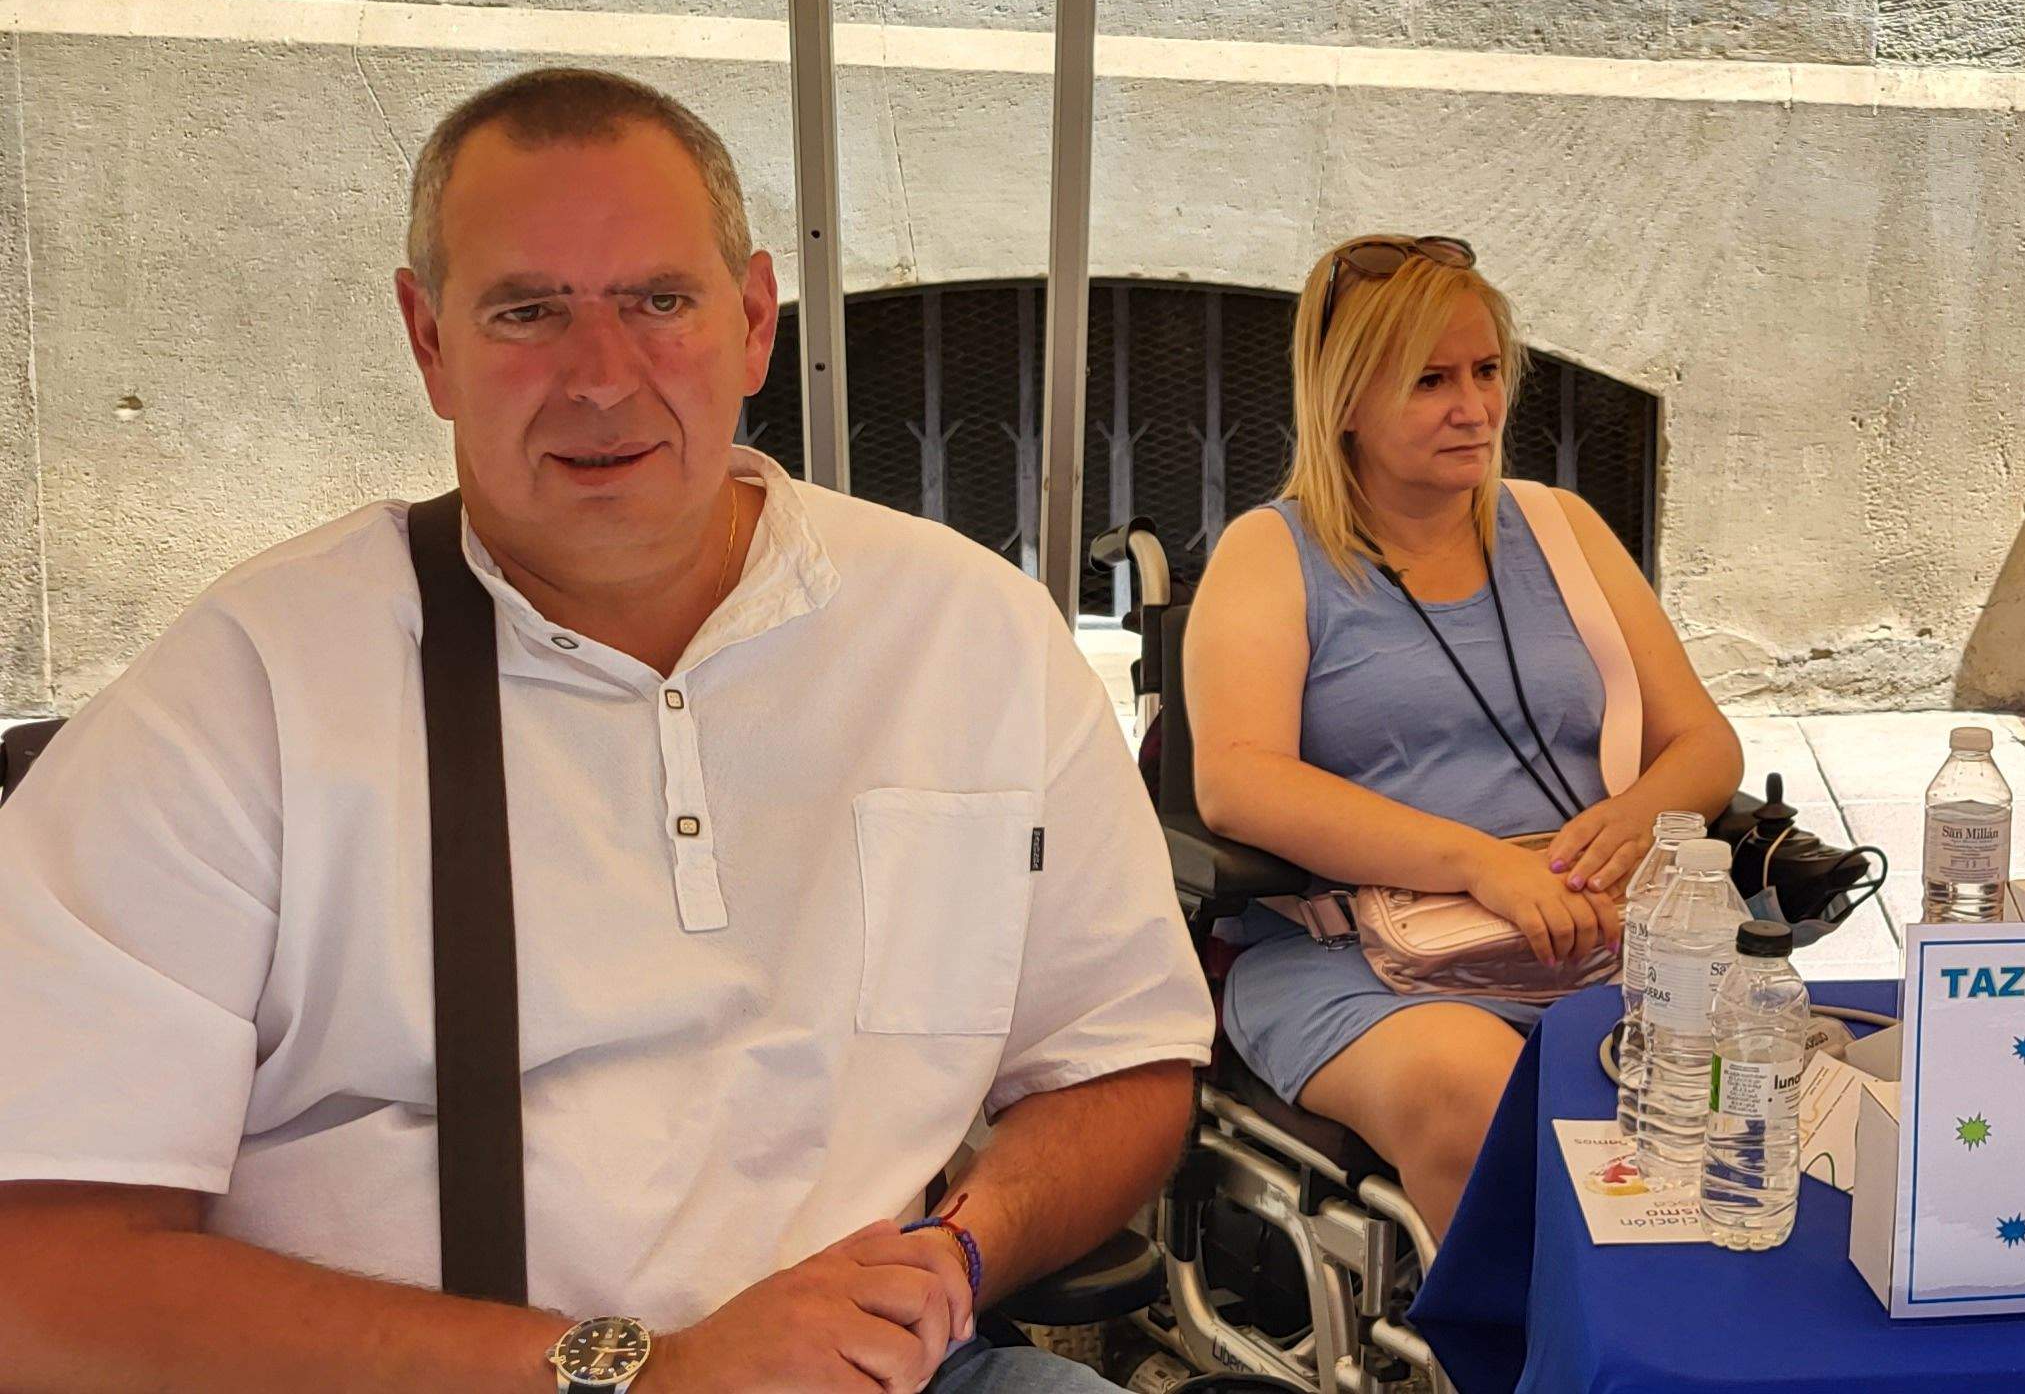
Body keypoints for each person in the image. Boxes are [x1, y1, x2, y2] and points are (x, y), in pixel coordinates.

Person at [0, 68, 1212, 1394]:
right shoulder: (248, 691)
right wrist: (636, 1369)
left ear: (753, 322)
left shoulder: (968, 633)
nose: (600, 378)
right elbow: (43, 1275)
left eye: (659, 302)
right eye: (527, 311)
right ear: (427, 341)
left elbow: (1124, 1060)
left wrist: (955, 1263)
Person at [1188, 235, 1742, 1232]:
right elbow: (1238, 782)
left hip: (1589, 937)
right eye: (1431, 380)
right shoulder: (1272, 552)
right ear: (1345, 399)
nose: (1474, 406)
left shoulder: (1561, 527)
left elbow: (1704, 743)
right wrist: (1478, 866)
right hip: (1354, 962)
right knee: (1487, 1091)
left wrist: (1633, 817)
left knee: (1766, 1083)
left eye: (1486, 371)